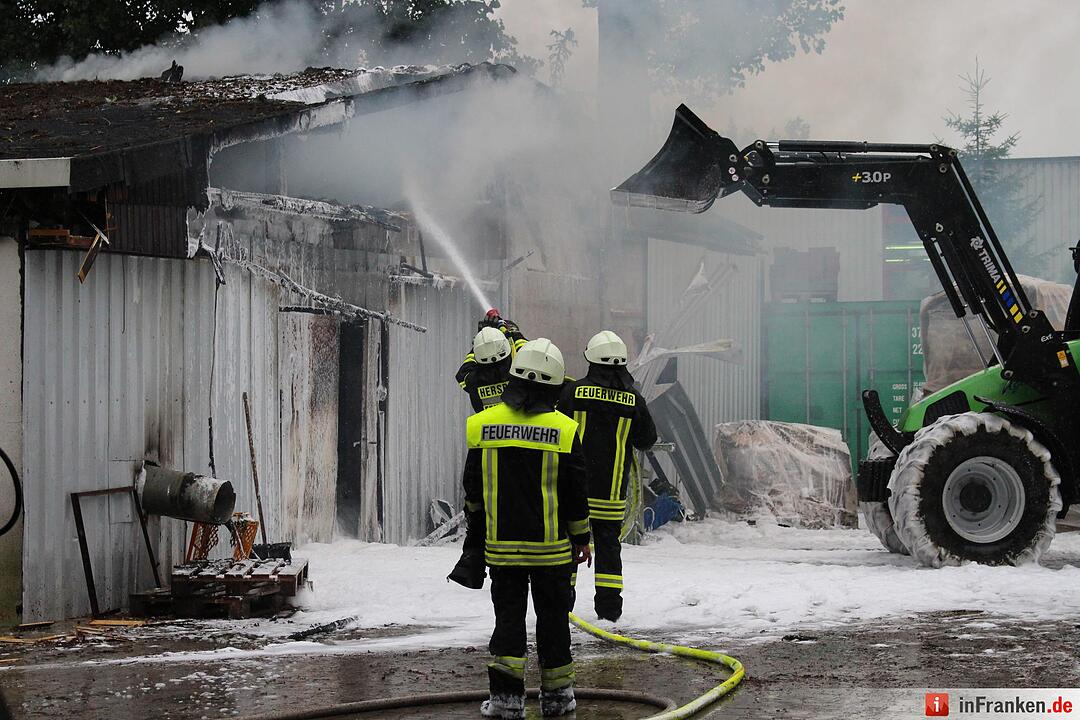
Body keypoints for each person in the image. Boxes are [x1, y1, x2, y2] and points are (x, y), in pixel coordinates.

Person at [462, 338, 592, 719]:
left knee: (508, 622)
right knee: (554, 622)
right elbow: (575, 493)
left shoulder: (481, 425)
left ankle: (505, 701)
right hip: (552, 552)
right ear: (553, 387)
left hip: (502, 550)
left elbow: (473, 490)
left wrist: (476, 533)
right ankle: (558, 699)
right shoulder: (564, 430)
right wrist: (582, 538)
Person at [558, 330, 657, 622]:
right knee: (609, 551)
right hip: (611, 497)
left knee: (569, 547)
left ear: (590, 358)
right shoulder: (632, 400)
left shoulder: (572, 393)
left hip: (574, 492)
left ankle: (562, 608)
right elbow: (646, 440)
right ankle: (610, 612)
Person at [455, 309, 528, 412]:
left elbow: (464, 371)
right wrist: (513, 333)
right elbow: (526, 351)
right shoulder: (518, 374)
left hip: (488, 426)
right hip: (519, 425)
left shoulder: (474, 380)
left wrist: (482, 341)